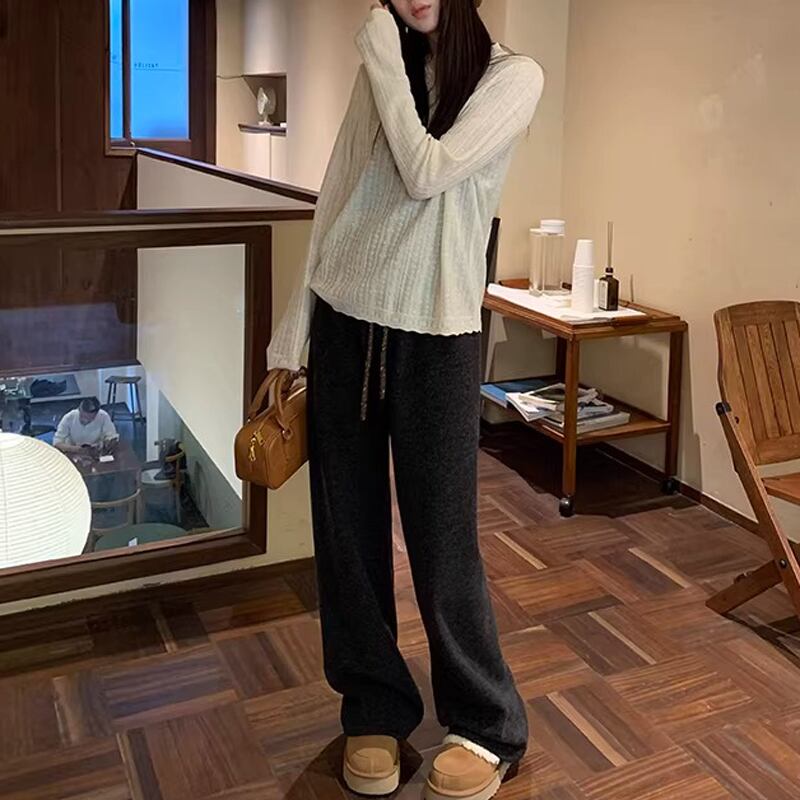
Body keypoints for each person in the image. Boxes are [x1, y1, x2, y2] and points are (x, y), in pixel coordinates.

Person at [267, 1, 544, 797]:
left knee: (443, 539)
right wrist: (292, 337)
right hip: (345, 325)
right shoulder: (382, 69)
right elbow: (336, 199)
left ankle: (487, 722)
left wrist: (384, 56)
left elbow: (427, 174)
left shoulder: (511, 79)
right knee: (347, 538)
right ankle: (374, 707)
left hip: (437, 333)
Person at [53, 397, 119, 454]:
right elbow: (57, 443)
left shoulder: (103, 416)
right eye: (83, 416)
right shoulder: (69, 417)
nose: (86, 420)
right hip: (72, 451)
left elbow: (112, 437)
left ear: (97, 413)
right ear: (79, 410)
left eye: (91, 418)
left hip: (96, 452)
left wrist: (108, 443)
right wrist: (74, 449)